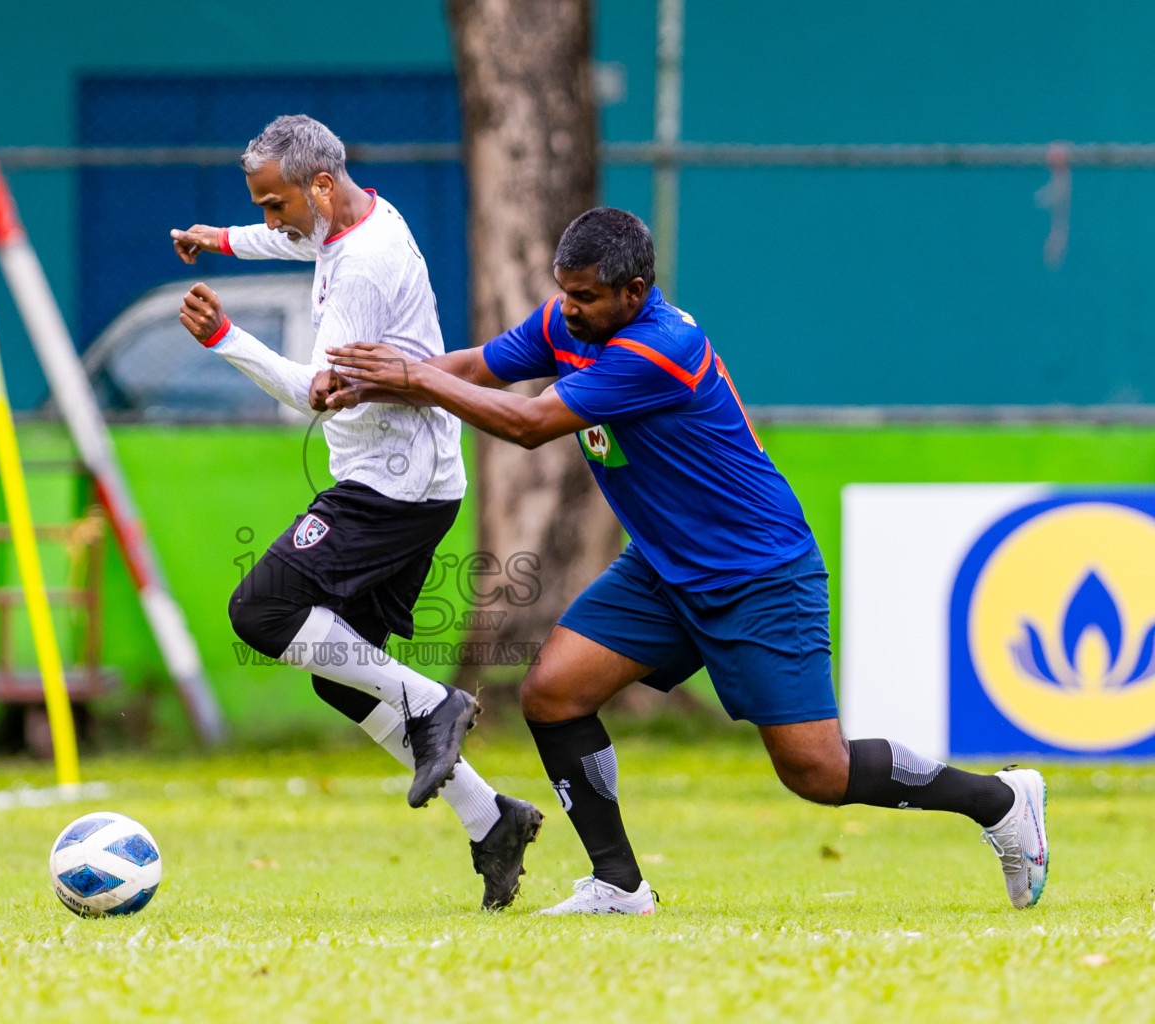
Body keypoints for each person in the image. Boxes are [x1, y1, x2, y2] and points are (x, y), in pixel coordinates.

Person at [323, 207, 1048, 916]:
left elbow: (529, 423)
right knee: (553, 693)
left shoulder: (657, 350)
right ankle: (618, 885)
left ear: (633, 292)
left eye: (585, 296)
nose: (567, 309)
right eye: (563, 290)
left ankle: (1002, 800)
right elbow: (479, 366)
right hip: (664, 568)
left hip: (758, 572)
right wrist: (369, 381)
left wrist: (412, 382)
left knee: (816, 771)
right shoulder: (570, 322)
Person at [169, 114, 542, 910]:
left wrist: (223, 337)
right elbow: (290, 240)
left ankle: (438, 703)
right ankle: (492, 822)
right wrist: (224, 238)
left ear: (321, 186)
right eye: (263, 206)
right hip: (415, 483)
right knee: (345, 679)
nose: (273, 219)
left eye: (275, 203)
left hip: (390, 489)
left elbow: (319, 393)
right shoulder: (353, 214)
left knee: (262, 610)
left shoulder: (366, 264)